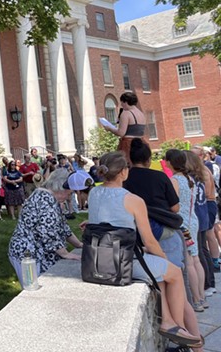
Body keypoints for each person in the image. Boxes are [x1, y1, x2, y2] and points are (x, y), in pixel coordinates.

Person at [88, 152, 201, 348]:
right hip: (122, 261)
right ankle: (176, 326)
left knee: (159, 274)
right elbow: (149, 241)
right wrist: (163, 257)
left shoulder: (93, 193)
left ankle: (168, 320)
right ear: (124, 172)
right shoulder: (132, 200)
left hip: (97, 259)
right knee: (173, 272)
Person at [8, 168, 82, 286]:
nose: (69, 196)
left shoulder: (51, 198)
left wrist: (79, 245)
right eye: (69, 193)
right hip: (27, 253)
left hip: (36, 250)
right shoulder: (44, 199)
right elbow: (48, 232)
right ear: (60, 187)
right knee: (33, 288)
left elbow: (63, 227)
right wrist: (65, 253)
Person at [165, 149, 206, 313]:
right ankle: (202, 296)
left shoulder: (175, 180)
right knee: (196, 260)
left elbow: (173, 205)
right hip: (192, 220)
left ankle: (196, 300)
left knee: (189, 262)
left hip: (182, 225)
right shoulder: (189, 179)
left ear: (170, 162)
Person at [184, 150, 216, 300]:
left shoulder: (192, 177)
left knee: (200, 251)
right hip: (201, 213)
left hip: (198, 214)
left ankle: (208, 284)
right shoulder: (199, 174)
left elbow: (209, 194)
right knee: (203, 249)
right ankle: (209, 283)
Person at [100, 92, 146, 163]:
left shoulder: (126, 114)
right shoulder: (141, 113)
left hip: (128, 144)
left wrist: (109, 128)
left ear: (126, 102)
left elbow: (121, 133)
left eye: (122, 102)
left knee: (126, 165)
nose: (121, 105)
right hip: (141, 143)